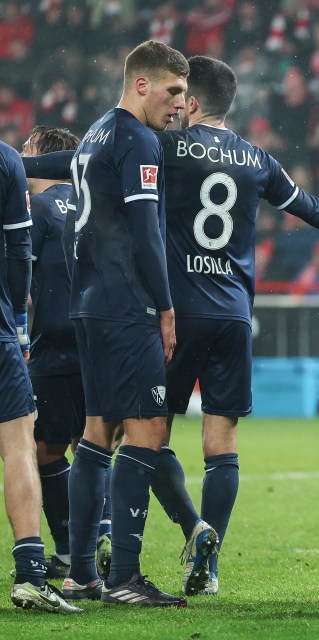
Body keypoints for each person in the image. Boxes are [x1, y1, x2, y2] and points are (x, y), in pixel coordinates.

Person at [149, 55, 319, 596]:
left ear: (192, 102)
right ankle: (210, 563)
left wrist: (19, 164)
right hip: (232, 315)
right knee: (222, 441)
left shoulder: (166, 146)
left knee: (146, 435)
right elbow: (313, 209)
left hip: (176, 313)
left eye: (179, 95)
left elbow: (92, 162)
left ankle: (191, 526)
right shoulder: (255, 158)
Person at [61, 40, 191, 607]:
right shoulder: (138, 138)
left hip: (89, 302)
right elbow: (145, 231)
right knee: (148, 431)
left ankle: (82, 570)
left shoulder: (95, 132)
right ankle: (125, 579)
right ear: (142, 84)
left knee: (96, 434)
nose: (181, 104)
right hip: (126, 304)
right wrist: (164, 307)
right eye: (174, 90)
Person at [1, 139, 81, 613]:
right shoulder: (7, 160)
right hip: (14, 334)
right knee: (20, 447)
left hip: (53, 342)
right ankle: (31, 574)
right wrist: (16, 322)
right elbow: (18, 249)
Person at [20, 125, 86, 582]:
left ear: (46, 156)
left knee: (46, 448)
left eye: (28, 149)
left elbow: (19, 278)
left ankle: (66, 547)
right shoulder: (93, 204)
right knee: (96, 445)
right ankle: (98, 544)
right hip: (99, 339)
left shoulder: (39, 208)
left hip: (53, 345)